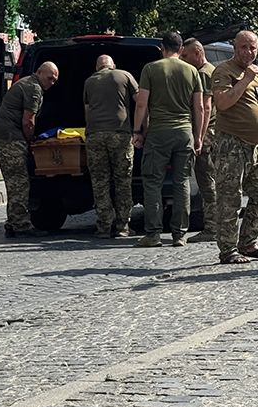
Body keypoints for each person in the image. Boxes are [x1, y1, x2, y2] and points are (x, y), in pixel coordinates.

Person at [209, 30, 258, 265]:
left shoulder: (256, 73)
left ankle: (248, 242)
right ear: (235, 47)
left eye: (253, 48)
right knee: (229, 198)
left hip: (254, 146)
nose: (248, 52)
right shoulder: (224, 71)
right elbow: (222, 103)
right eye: (244, 47)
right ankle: (228, 250)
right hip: (231, 143)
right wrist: (245, 81)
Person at [132, 32, 204, 248]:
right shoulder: (192, 71)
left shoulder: (151, 69)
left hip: (159, 132)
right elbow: (199, 107)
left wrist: (137, 131)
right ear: (181, 49)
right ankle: (179, 234)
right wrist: (198, 136)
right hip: (184, 133)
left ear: (162, 48)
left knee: (152, 182)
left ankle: (153, 233)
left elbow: (142, 104)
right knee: (182, 182)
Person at [0, 61, 59, 238]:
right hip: (10, 137)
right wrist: (32, 141)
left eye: (54, 81)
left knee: (14, 182)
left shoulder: (26, 82)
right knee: (19, 182)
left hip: (5, 135)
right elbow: (28, 121)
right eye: (49, 78)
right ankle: (21, 225)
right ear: (39, 72)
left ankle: (13, 222)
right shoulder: (34, 88)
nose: (51, 83)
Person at [83, 55, 138, 238]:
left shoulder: (89, 82)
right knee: (123, 180)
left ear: (97, 67)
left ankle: (104, 226)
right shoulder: (124, 75)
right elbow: (140, 101)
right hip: (120, 133)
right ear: (112, 65)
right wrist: (140, 129)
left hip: (95, 135)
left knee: (100, 182)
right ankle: (122, 226)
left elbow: (87, 111)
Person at [180, 38, 217, 242]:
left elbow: (205, 106)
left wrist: (199, 138)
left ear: (197, 53)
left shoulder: (202, 74)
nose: (182, 60)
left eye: (185, 56)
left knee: (206, 180)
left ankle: (212, 227)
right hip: (213, 131)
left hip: (207, 133)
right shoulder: (212, 69)